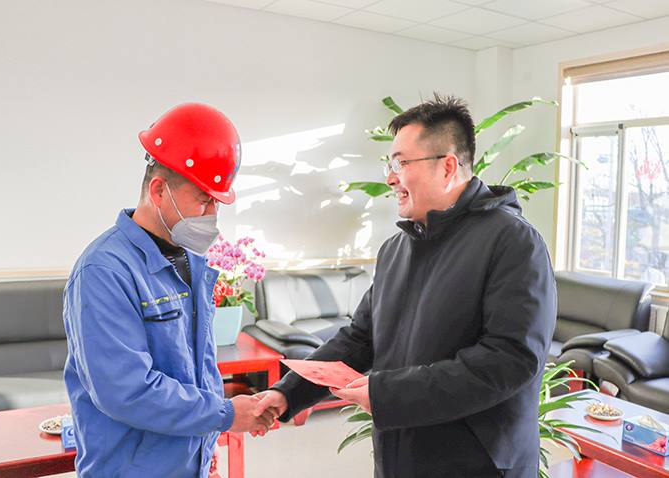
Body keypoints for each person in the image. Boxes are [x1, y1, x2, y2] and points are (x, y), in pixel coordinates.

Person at [254, 95, 556, 477]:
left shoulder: (513, 242)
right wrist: (288, 392)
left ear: (447, 167)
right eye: (389, 164)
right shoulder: (397, 248)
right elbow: (360, 339)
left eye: (401, 163)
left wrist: (385, 393)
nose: (390, 177)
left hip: (477, 465)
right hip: (401, 459)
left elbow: (509, 360)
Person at [63, 103, 274, 478]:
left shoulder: (190, 260)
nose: (212, 215)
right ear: (158, 190)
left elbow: (197, 366)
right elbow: (126, 391)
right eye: (203, 199)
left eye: (217, 202)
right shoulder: (104, 271)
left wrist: (205, 442)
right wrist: (223, 414)